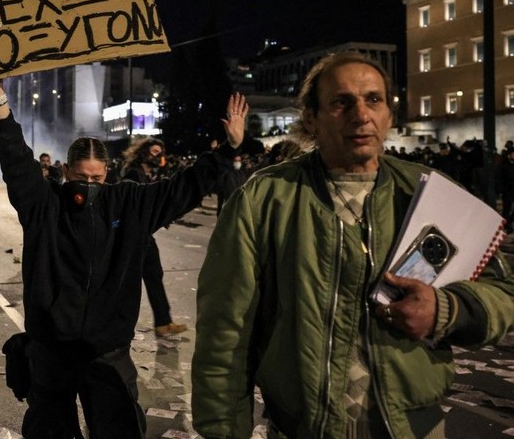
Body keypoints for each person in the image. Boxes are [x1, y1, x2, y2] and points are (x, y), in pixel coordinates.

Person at [191, 52, 514, 438]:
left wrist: (447, 309)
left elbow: (502, 294)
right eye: (341, 102)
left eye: (373, 100)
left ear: (389, 115)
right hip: (304, 428)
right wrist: (223, 431)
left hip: (412, 427)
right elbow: (224, 332)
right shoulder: (265, 199)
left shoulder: (431, 194)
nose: (361, 115)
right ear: (310, 117)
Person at [0, 51, 247, 438]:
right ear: (65, 172)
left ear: (108, 175)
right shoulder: (44, 203)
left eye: (97, 178)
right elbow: (16, 160)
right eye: (81, 177)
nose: (88, 185)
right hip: (51, 351)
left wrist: (228, 151)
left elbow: (183, 189)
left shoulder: (129, 202)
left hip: (108, 354)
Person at [120, 137, 187, 336]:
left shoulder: (147, 173)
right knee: (130, 282)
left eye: (160, 153)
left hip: (144, 234)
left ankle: (163, 322)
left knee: (153, 276)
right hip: (135, 235)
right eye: (154, 152)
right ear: (144, 152)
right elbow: (133, 204)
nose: (158, 156)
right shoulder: (134, 173)